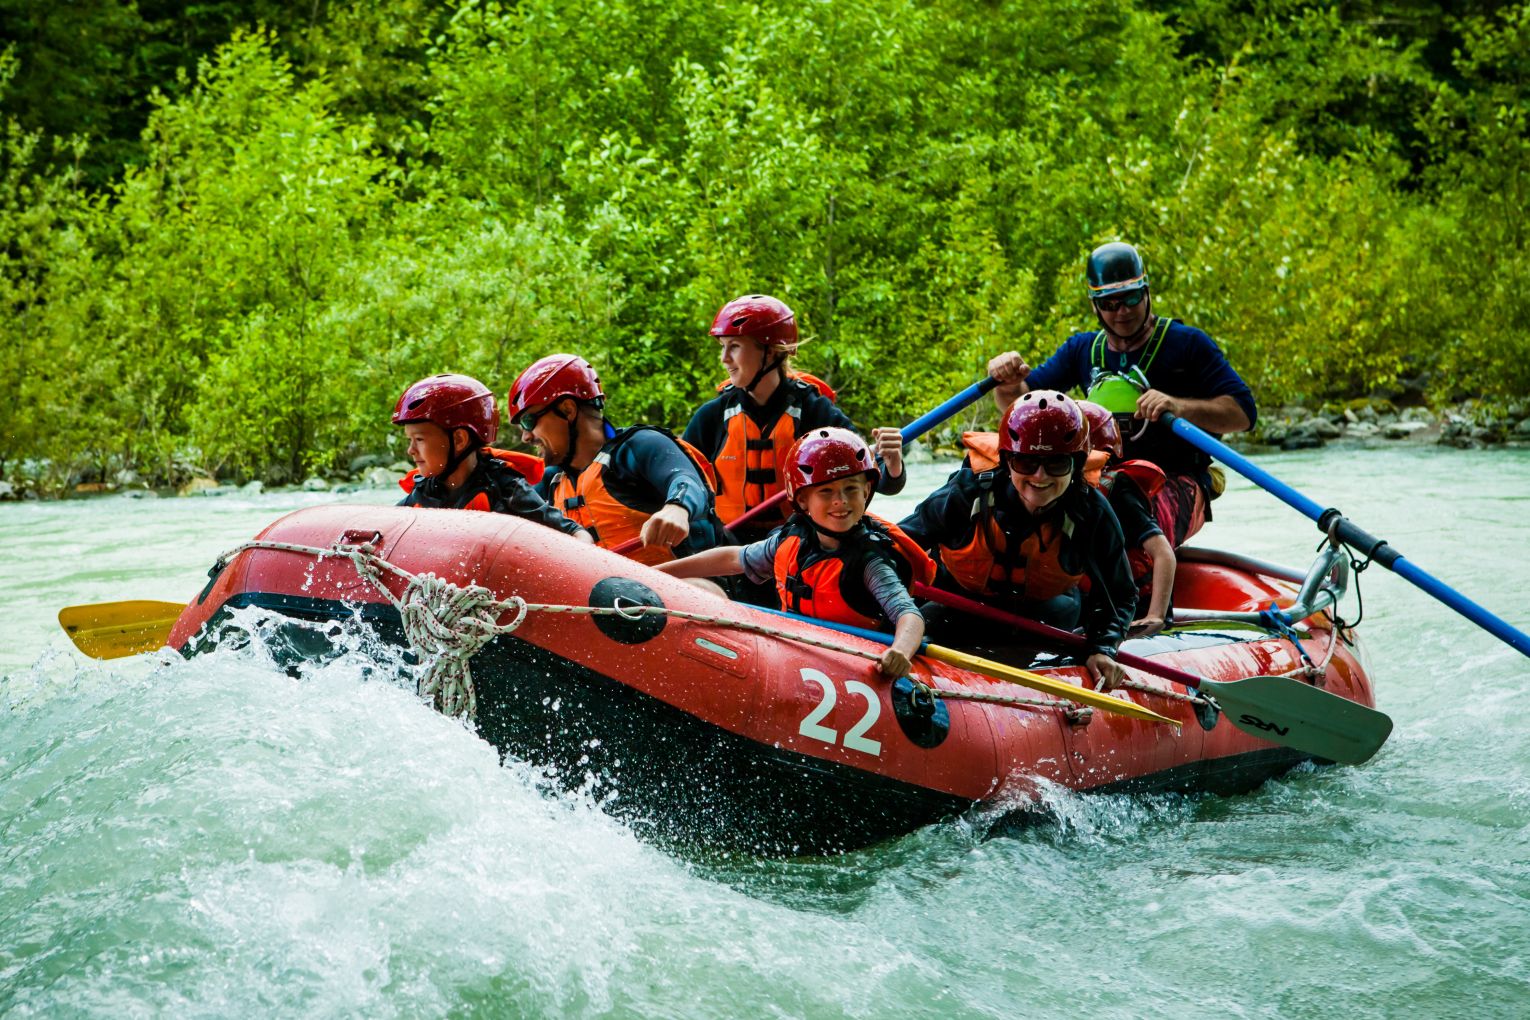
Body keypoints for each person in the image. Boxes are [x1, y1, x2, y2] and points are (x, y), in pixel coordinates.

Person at [986, 242, 1256, 546]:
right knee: (997, 493)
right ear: (1095, 305)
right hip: (1101, 482)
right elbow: (1021, 405)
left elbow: (1244, 414)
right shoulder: (1081, 350)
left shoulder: (1188, 344)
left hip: (1177, 481)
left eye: (1131, 298)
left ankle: (1140, 576)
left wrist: (1177, 406)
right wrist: (1007, 383)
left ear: (1146, 292)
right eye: (1110, 303)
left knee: (1123, 519)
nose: (1123, 311)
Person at [899, 391, 1134, 690]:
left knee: (1060, 621)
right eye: (1026, 462)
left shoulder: (1091, 513)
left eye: (1057, 464)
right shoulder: (969, 492)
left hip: (1043, 620)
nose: (1040, 476)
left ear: (1076, 464)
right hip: (959, 606)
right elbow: (897, 545)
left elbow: (1120, 594)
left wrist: (1103, 647)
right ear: (1007, 460)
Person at [658, 427, 931, 678]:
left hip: (853, 666)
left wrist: (900, 652)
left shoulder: (870, 562)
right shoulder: (791, 540)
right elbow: (732, 559)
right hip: (799, 652)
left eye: (851, 489)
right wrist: (656, 574)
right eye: (826, 491)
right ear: (802, 500)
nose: (841, 501)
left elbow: (909, 615)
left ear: (867, 491)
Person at [683, 294, 906, 545]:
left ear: (769, 352)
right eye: (723, 347)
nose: (724, 358)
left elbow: (876, 483)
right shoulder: (712, 417)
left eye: (734, 346)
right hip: (726, 544)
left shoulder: (816, 413)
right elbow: (679, 480)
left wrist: (893, 463)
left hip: (798, 545)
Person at [508, 354, 723, 564]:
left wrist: (677, 508)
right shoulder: (550, 482)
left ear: (567, 409)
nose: (526, 437)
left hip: (684, 589)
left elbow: (686, 480)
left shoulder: (637, 447)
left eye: (529, 421)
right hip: (599, 596)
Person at [392, 373, 592, 541]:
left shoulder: (506, 489)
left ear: (460, 439)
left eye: (419, 439)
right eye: (410, 440)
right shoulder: (423, 492)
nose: (410, 450)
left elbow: (574, 533)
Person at [1078, 400, 1176, 637]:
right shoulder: (1048, 488)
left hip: (1132, 607)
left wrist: (1156, 617)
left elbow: (1163, 554)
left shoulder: (1118, 488)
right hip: (1087, 601)